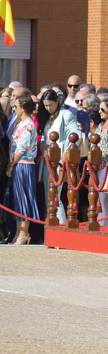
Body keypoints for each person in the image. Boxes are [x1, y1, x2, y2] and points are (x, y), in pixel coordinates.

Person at [37, 89, 83, 223]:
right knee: (49, 196)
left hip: (59, 160)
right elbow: (45, 136)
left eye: (51, 104)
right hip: (48, 159)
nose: (48, 108)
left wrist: (67, 151)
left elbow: (77, 135)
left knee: (54, 196)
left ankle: (60, 227)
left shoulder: (66, 114)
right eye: (45, 105)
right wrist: (42, 144)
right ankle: (52, 229)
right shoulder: (47, 117)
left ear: (57, 101)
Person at [3, 93, 38, 244]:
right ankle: (19, 232)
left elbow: (21, 148)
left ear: (23, 108)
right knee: (18, 200)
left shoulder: (28, 125)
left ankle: (24, 232)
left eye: (16, 106)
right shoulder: (20, 123)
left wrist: (11, 166)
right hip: (19, 164)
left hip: (23, 164)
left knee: (24, 198)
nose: (14, 109)